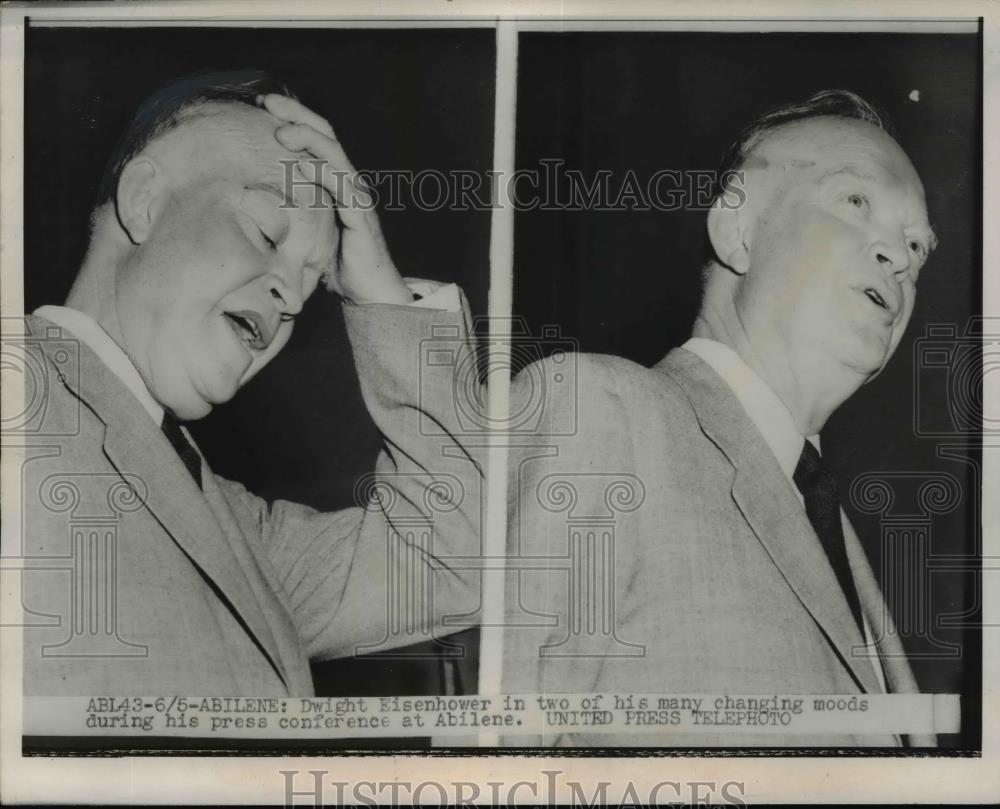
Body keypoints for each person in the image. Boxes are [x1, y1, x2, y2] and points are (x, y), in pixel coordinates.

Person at [20, 71, 482, 696]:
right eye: (265, 232)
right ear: (144, 202)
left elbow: (449, 560)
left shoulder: (238, 534)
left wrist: (381, 292)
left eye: (311, 281)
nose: (290, 296)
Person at [501, 90, 938, 747]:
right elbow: (508, 756)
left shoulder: (829, 526)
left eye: (916, 246)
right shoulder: (601, 409)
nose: (901, 258)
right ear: (739, 230)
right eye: (855, 201)